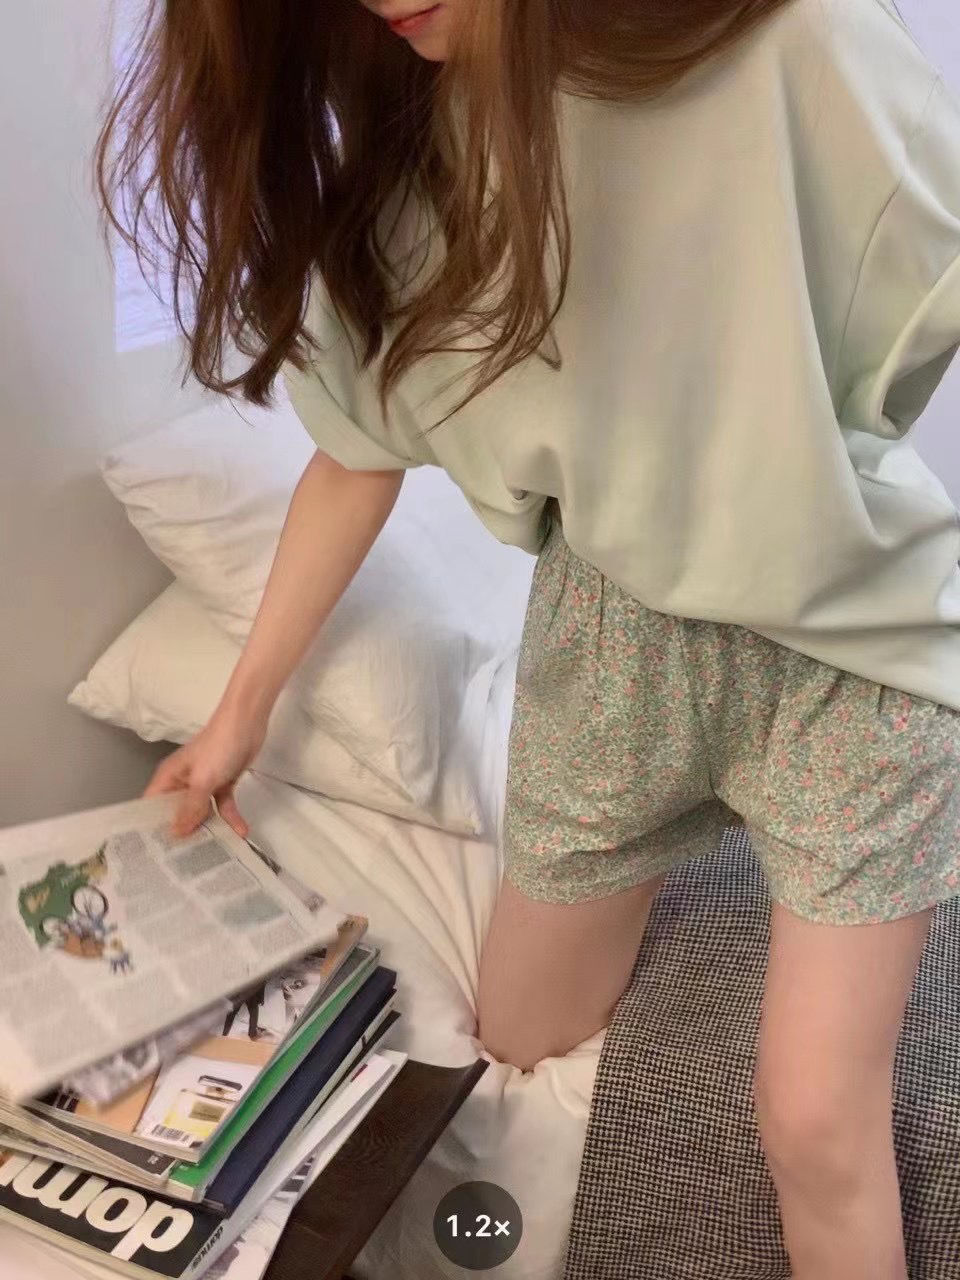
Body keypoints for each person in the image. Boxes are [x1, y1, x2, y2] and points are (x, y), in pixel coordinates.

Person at [98, 1, 960, 1275]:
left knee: (816, 1122)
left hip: (850, 653)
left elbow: (911, 297)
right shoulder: (411, 167)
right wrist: (238, 715)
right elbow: (357, 453)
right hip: (609, 646)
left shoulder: (786, 43)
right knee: (518, 1030)